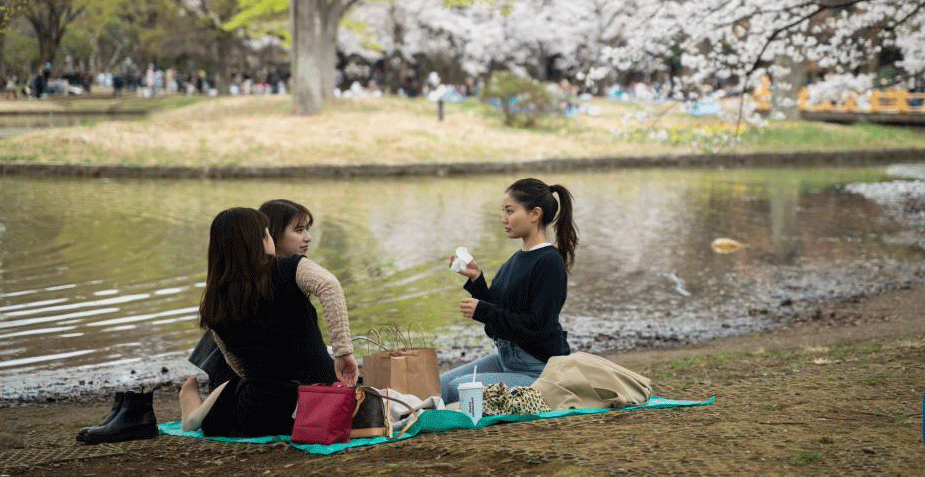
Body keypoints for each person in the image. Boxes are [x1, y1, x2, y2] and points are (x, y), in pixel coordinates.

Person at [179, 207, 358, 437]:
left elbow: (235, 362)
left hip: (258, 413)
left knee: (235, 387)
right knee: (238, 386)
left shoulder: (216, 300)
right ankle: (192, 411)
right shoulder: (290, 267)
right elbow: (329, 285)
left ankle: (192, 411)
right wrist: (343, 351)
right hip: (318, 402)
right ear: (262, 240)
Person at [440, 178, 578, 403]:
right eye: (503, 211)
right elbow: (500, 309)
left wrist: (483, 311)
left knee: (459, 390)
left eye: (510, 211)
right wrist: (476, 279)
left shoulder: (549, 263)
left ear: (535, 213)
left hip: (538, 368)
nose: (504, 219)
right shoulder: (517, 259)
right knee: (440, 385)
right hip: (507, 359)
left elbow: (537, 326)